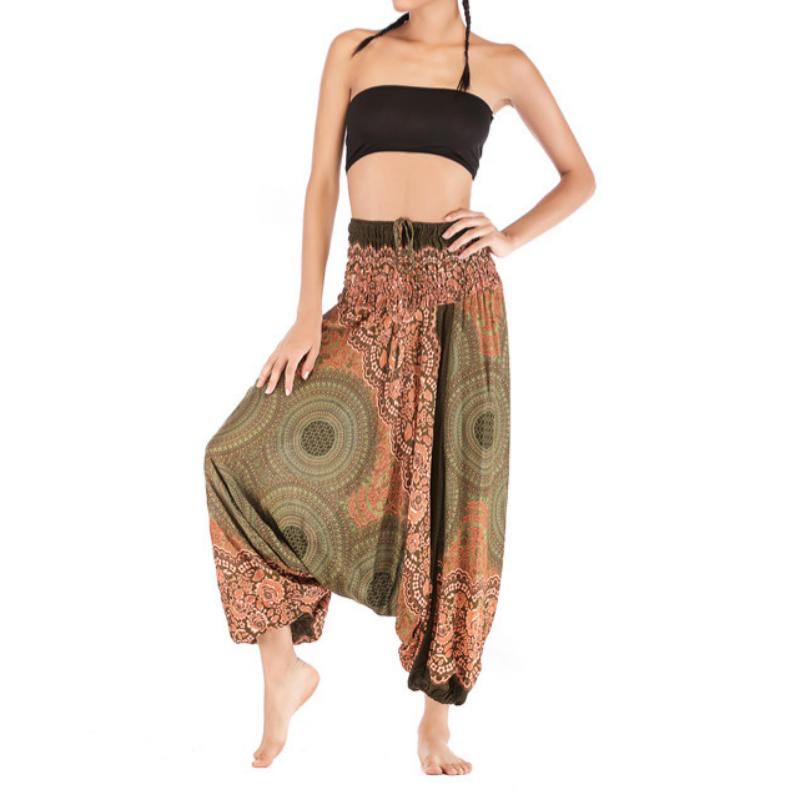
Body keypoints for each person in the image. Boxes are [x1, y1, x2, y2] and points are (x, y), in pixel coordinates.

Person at [203, 0, 595, 775]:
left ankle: (435, 726)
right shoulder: (353, 50)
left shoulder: (503, 63)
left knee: (455, 504)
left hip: (459, 299)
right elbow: (321, 183)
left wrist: (508, 236)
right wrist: (306, 314)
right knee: (233, 456)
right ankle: (283, 668)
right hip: (368, 295)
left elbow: (579, 176)